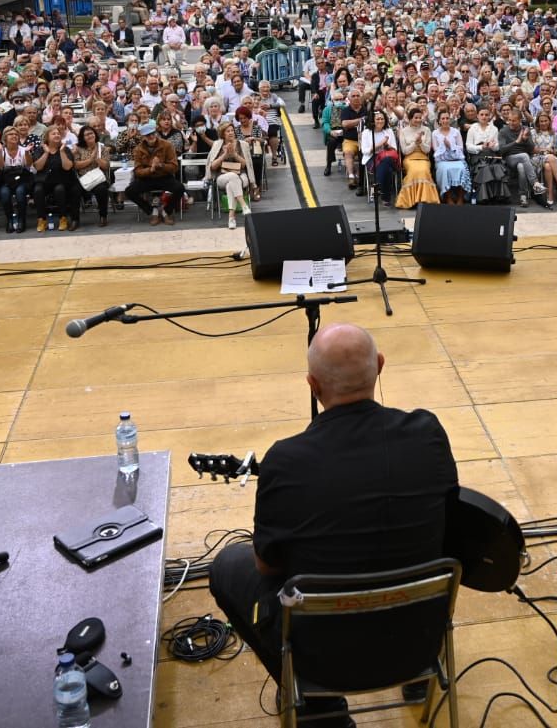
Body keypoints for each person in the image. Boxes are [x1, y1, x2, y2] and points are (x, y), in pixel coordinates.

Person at [209, 324, 457, 728]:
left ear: (312, 385)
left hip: (322, 656)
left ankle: (322, 712)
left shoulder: (285, 460)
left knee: (226, 567)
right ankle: (417, 682)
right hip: (419, 639)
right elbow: (450, 527)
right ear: (379, 367)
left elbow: (267, 568)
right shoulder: (428, 432)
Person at [126, 128, 181, 226]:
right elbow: (138, 171)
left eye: (152, 134)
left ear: (156, 133)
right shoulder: (138, 149)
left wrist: (161, 165)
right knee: (129, 191)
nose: (151, 136)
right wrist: (150, 170)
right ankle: (152, 211)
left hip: (164, 176)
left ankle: (166, 211)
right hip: (147, 178)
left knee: (180, 188)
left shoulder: (167, 145)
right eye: (148, 135)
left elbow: (174, 167)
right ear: (143, 137)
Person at [206, 121, 255, 229]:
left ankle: (231, 217)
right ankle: (243, 205)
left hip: (241, 175)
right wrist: (224, 155)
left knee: (231, 183)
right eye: (227, 131)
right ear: (223, 134)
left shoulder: (242, 144)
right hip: (222, 176)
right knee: (232, 177)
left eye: (232, 130)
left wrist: (234, 154)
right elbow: (212, 167)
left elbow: (244, 165)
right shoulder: (217, 145)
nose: (230, 133)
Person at [394, 104, 439, 208]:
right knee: (414, 171)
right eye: (416, 118)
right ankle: (411, 200)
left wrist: (421, 143)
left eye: (420, 118)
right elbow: (405, 151)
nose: (418, 120)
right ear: (410, 118)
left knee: (423, 171)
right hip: (409, 158)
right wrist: (415, 143)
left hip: (423, 158)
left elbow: (427, 149)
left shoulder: (427, 130)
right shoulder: (403, 132)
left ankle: (424, 199)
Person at [431, 109, 471, 204]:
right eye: (443, 118)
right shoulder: (435, 133)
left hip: (456, 158)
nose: (445, 120)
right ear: (439, 121)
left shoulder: (456, 132)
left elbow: (461, 148)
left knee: (462, 168)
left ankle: (461, 197)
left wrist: (451, 146)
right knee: (445, 170)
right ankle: (447, 196)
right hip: (442, 160)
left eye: (447, 118)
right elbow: (436, 150)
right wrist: (445, 147)